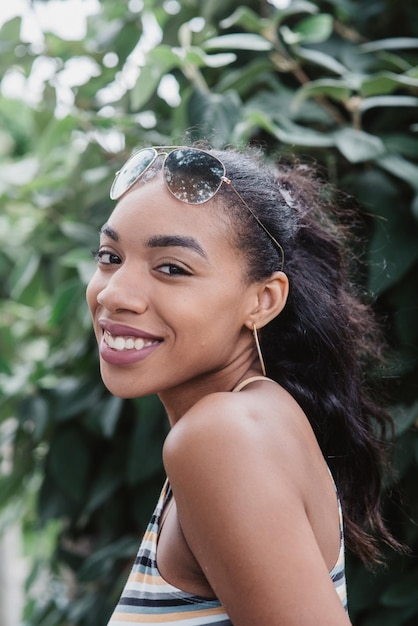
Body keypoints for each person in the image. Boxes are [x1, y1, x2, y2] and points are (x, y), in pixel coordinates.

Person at [86, 145, 399, 625]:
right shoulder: (253, 416)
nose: (113, 293)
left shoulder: (223, 436)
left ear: (263, 300)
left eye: (172, 268)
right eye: (110, 256)